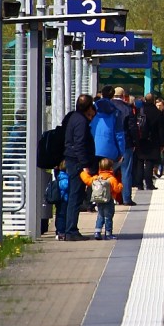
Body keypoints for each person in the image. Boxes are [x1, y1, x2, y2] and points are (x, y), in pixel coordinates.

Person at [62, 93, 97, 241]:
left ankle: (69, 229)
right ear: (88, 107)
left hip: (72, 159)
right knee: (75, 196)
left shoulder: (74, 117)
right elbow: (80, 144)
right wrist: (84, 165)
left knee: (74, 196)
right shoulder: (81, 121)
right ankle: (71, 230)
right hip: (77, 162)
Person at [81, 158, 122, 240]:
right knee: (108, 216)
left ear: (100, 168)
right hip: (109, 200)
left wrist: (83, 173)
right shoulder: (111, 179)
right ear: (111, 168)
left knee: (100, 215)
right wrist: (120, 185)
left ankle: (97, 232)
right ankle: (108, 233)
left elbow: (87, 180)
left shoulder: (96, 178)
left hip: (99, 200)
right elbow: (117, 189)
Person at [90, 85, 125, 172]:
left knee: (93, 176)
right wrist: (121, 152)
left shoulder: (92, 110)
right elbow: (119, 134)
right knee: (108, 176)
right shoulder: (116, 112)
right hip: (110, 150)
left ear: (102, 94)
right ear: (112, 96)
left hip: (92, 148)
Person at [133, 94, 163, 191]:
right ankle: (149, 184)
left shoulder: (139, 111)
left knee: (140, 162)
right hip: (153, 140)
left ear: (145, 100)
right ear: (153, 100)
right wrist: (162, 143)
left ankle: (139, 184)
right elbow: (161, 130)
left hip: (140, 139)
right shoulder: (158, 113)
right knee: (150, 162)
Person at [113, 86, 136, 205]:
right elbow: (132, 127)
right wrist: (135, 142)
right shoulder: (127, 108)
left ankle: (107, 197)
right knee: (126, 171)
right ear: (123, 96)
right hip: (126, 142)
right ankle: (126, 198)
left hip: (111, 143)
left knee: (108, 170)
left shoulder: (108, 107)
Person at [53, 161, 69, 240]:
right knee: (62, 216)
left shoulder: (59, 175)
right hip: (64, 199)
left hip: (60, 199)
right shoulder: (64, 177)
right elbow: (65, 186)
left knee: (59, 215)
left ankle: (59, 231)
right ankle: (61, 231)